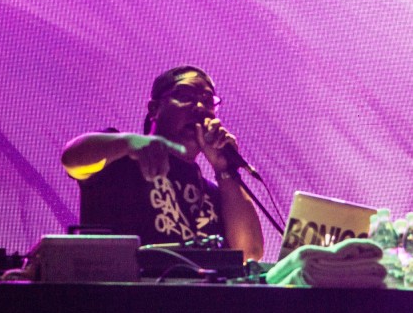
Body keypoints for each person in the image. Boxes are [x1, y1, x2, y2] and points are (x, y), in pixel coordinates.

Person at [61, 66, 264, 261]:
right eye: (185, 96)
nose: (200, 108)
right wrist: (128, 143)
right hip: (123, 285)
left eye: (208, 101)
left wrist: (225, 169)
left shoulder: (215, 193)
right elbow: (71, 159)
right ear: (154, 108)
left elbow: (249, 253)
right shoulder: (119, 160)